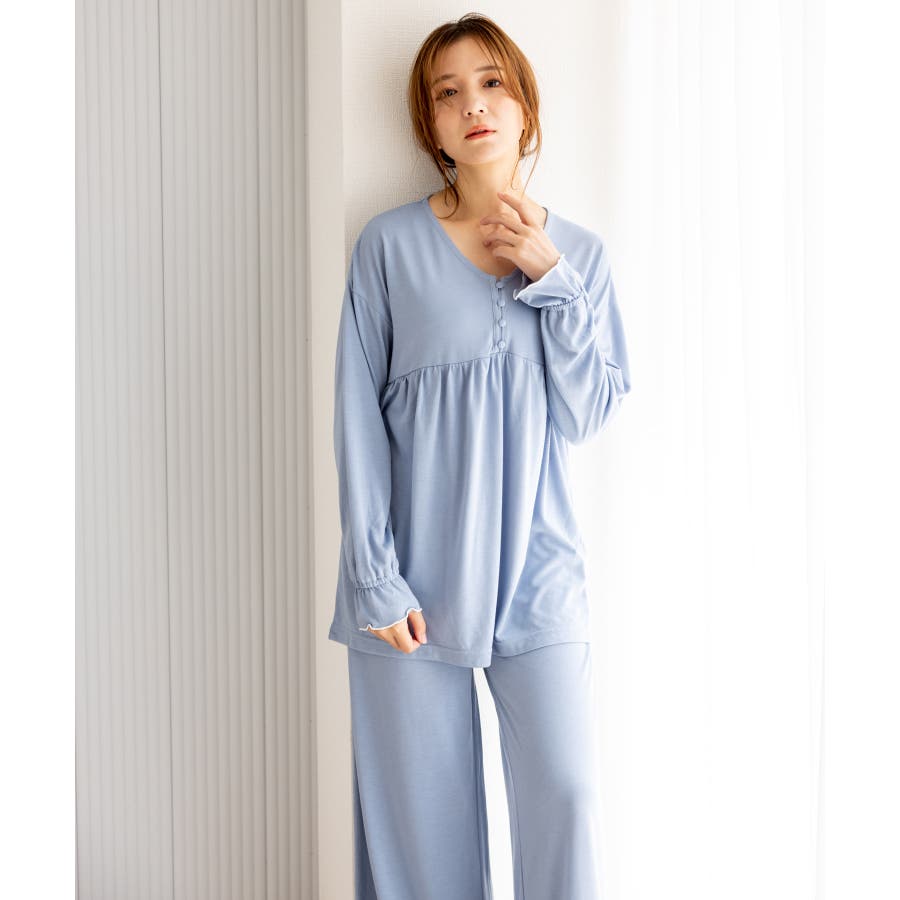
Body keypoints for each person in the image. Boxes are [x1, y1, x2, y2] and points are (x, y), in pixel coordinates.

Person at [327, 12, 632, 899]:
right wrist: (374, 576)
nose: (474, 105)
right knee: (423, 842)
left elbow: (588, 412)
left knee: (567, 798)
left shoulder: (579, 256)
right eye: (448, 92)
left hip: (540, 573)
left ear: (525, 103)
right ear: (429, 125)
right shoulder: (387, 247)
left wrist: (551, 279)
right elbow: (356, 417)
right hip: (410, 581)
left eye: (493, 83)